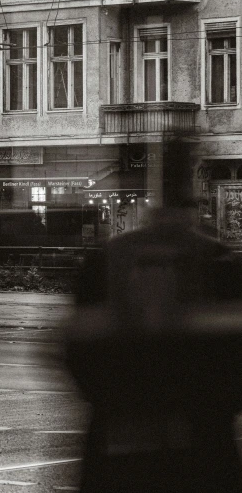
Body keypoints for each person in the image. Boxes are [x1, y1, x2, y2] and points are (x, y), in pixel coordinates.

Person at [66, 139, 242, 493]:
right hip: (202, 451)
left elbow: (72, 356)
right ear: (197, 191)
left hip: (116, 451)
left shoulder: (107, 259)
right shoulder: (220, 263)